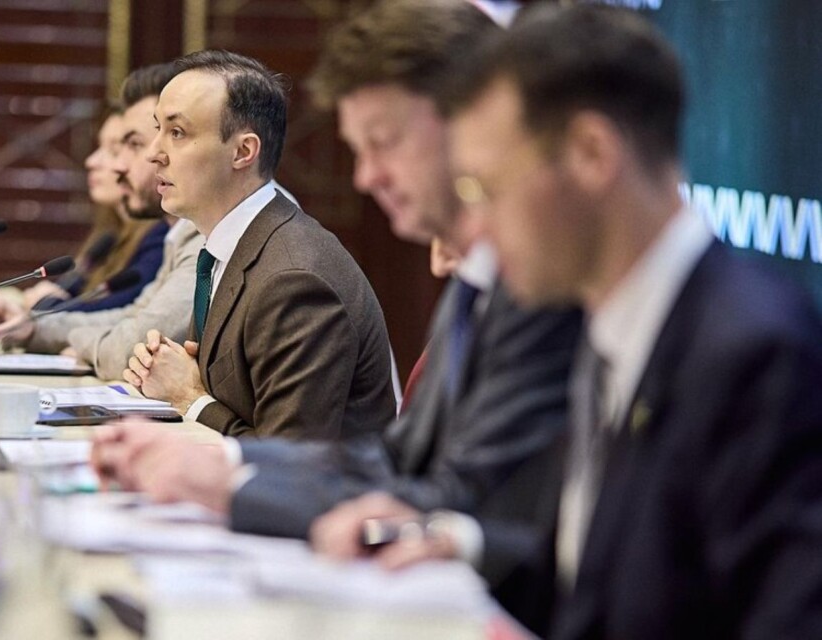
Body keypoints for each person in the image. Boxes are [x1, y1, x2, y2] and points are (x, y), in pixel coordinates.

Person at [318, 5, 822, 638]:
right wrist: (462, 543)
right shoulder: (618, 327)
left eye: (486, 188)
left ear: (590, 154)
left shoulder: (753, 352)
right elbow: (597, 576)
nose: (474, 226)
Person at [93, 7, 580, 630]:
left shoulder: (530, 286)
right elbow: (399, 461)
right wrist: (220, 467)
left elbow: (468, 499)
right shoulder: (481, 282)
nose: (365, 177)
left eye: (385, 142)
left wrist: (218, 461)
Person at [120, 49, 396, 440]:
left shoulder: (294, 278)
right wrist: (175, 370)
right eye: (157, 129)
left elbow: (289, 463)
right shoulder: (231, 246)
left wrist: (188, 397)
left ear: (243, 152)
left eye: (177, 133)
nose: (153, 154)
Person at [0, 63, 204, 379]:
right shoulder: (181, 233)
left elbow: (139, 344)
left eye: (132, 145)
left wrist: (85, 347)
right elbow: (134, 316)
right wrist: (34, 328)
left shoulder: (196, 235)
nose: (117, 165)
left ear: (241, 152)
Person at [0, 107, 165, 317]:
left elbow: (119, 310)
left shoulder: (159, 237)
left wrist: (49, 304)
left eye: (114, 151)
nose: (91, 161)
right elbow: (68, 290)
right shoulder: (110, 235)